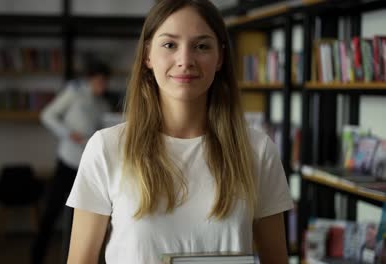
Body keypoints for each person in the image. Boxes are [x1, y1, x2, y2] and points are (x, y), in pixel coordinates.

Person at [66, 0, 293, 263]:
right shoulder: (106, 147)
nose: (185, 60)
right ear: (148, 55)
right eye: (170, 45)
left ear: (220, 57)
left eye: (201, 46)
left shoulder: (257, 149)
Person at [30, 60, 111, 264]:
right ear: (92, 78)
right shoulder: (74, 92)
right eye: (101, 80)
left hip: (90, 167)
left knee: (88, 217)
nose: (104, 85)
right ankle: (36, 258)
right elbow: (47, 115)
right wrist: (68, 133)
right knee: (52, 213)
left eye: (106, 82)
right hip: (68, 163)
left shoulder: (103, 104)